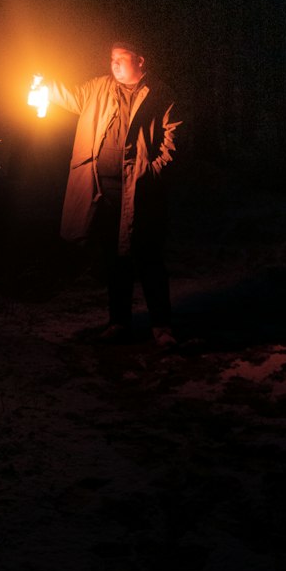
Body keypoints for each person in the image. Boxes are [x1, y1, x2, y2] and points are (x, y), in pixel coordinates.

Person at [37, 40, 182, 347]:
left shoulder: (160, 94)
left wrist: (151, 173)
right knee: (115, 259)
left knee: (148, 258)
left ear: (140, 60)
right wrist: (44, 84)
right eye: (111, 58)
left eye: (121, 58)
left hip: (142, 193)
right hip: (104, 191)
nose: (114, 64)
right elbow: (72, 96)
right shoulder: (99, 88)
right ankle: (118, 323)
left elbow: (173, 143)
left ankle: (162, 328)